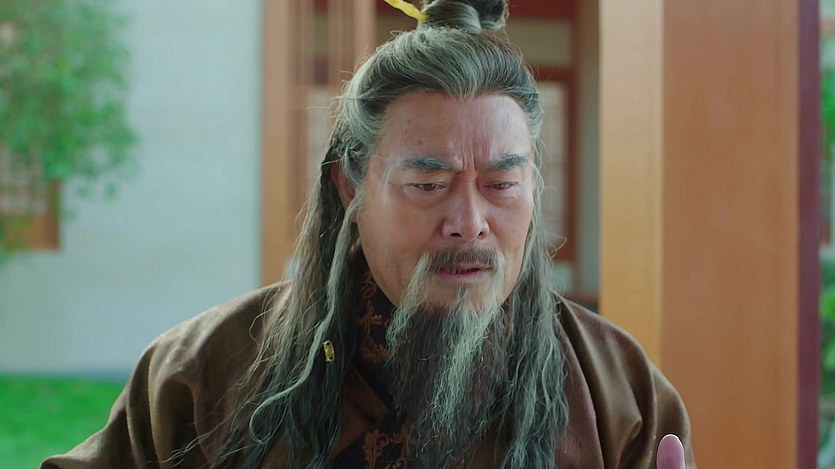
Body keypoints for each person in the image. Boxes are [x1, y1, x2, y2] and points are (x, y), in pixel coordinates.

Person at [43, 1, 696, 467]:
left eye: (502, 184)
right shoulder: (201, 376)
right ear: (349, 187)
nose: (469, 221)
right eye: (428, 183)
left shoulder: (617, 392)